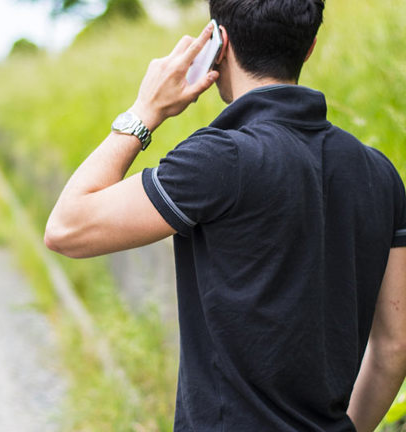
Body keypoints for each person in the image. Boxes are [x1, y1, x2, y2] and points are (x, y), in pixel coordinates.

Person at [43, 0, 406, 430]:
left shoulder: (220, 159)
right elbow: (394, 347)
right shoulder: (379, 173)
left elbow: (66, 228)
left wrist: (145, 111)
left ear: (218, 42)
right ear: (309, 47)